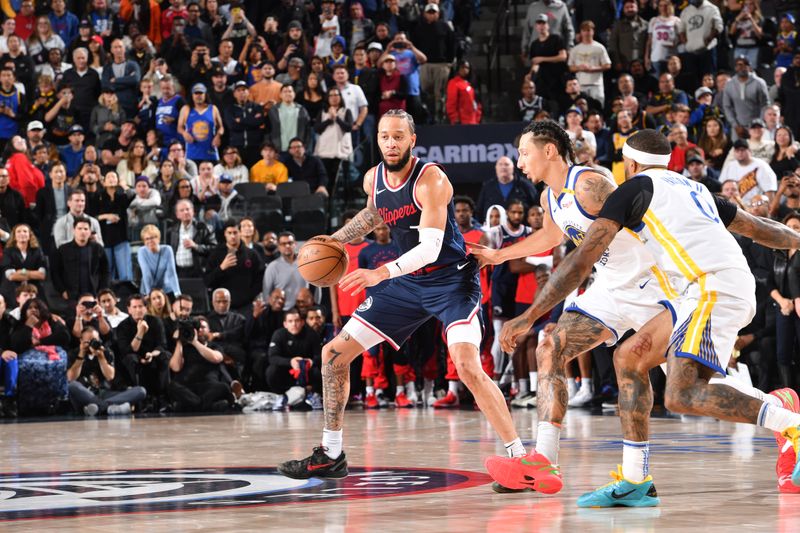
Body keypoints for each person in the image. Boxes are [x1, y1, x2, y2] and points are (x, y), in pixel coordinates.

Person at [483, 127, 800, 499]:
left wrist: (530, 314)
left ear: (628, 163)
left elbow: (581, 258)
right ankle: (560, 463)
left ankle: (785, 414)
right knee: (558, 345)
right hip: (614, 286)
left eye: (523, 152)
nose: (520, 161)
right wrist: (502, 254)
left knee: (689, 390)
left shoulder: (602, 185)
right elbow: (756, 227)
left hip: (661, 287)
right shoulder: (690, 188)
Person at [278, 109, 527, 481]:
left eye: (398, 137)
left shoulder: (432, 181)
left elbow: (429, 248)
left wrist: (379, 272)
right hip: (408, 284)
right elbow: (374, 214)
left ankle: (519, 457)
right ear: (377, 140)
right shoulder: (372, 178)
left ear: (413, 140)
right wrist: (336, 240)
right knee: (333, 354)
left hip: (451, 281)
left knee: (466, 364)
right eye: (384, 137)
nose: (391, 143)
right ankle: (330, 453)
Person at [67, 325, 146, 416]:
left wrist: (101, 357)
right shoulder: (73, 354)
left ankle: (98, 408)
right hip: (85, 394)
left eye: (94, 340)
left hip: (104, 392)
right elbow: (71, 378)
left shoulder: (106, 352)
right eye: (88, 342)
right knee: (72, 385)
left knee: (140, 391)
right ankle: (110, 408)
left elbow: (110, 376)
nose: (92, 344)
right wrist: (81, 355)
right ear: (81, 341)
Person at [168, 315, 232, 413]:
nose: (200, 330)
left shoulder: (215, 346)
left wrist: (195, 342)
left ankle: (192, 406)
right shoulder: (183, 348)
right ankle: (206, 407)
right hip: (188, 388)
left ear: (209, 330)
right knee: (172, 386)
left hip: (209, 387)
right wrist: (179, 342)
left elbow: (216, 358)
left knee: (224, 387)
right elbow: (176, 367)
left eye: (203, 327)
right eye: (197, 328)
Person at [116, 293, 170, 406]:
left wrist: (152, 354)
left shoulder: (155, 322)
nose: (138, 310)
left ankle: (163, 397)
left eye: (141, 306)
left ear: (146, 308)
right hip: (134, 357)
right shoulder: (122, 326)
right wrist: (140, 332)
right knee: (131, 359)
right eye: (134, 307)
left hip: (152, 355)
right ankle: (140, 399)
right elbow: (128, 350)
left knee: (165, 355)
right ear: (129, 309)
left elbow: (162, 345)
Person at [204, 220, 264, 314]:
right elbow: (208, 281)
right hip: (222, 307)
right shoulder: (215, 254)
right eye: (229, 233)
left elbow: (260, 279)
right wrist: (221, 268)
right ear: (225, 234)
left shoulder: (252, 254)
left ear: (240, 233)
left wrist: (249, 296)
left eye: (235, 232)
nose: (232, 236)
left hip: (246, 306)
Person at [267, 307, 322, 408]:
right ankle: (281, 396)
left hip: (306, 370)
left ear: (302, 322)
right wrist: (290, 362)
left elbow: (320, 356)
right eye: (290, 321)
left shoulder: (311, 334)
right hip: (287, 370)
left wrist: (311, 362)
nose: (294, 324)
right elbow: (272, 357)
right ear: (285, 324)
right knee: (271, 371)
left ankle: (313, 395)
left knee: (320, 371)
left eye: (297, 321)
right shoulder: (279, 334)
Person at [52, 216, 110, 303]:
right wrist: (62, 291)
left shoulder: (98, 248)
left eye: (86, 229)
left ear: (90, 231)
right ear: (74, 230)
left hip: (94, 294)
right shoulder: (63, 250)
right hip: (71, 295)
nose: (83, 231)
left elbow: (106, 271)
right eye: (79, 228)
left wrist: (102, 291)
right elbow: (55, 272)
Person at [475, 156, 538, 223]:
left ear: (513, 167)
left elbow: (536, 206)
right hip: (494, 230)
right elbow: (479, 211)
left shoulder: (525, 185)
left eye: (506, 164)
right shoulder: (487, 187)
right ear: (496, 168)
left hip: (522, 229)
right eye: (500, 164)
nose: (503, 167)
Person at [722, 56, 770, 141]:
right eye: (738, 65)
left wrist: (758, 124)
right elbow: (727, 107)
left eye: (744, 65)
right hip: (737, 128)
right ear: (735, 67)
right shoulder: (729, 85)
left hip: (757, 127)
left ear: (749, 67)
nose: (741, 67)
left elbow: (765, 105)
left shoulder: (759, 83)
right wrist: (735, 125)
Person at [314, 88, 353, 189]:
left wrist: (336, 117)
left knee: (343, 180)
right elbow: (317, 129)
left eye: (336, 95)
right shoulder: (323, 112)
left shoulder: (346, 111)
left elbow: (348, 128)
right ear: (327, 98)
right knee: (327, 179)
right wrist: (329, 119)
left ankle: (345, 201)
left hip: (341, 152)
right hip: (325, 151)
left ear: (340, 97)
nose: (334, 98)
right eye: (331, 95)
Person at [166, 198, 217, 277]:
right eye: (182, 210)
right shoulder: (172, 231)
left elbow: (214, 249)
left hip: (198, 272)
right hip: (178, 272)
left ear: (193, 211)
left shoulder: (204, 228)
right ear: (177, 215)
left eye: (187, 209)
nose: (185, 212)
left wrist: (196, 246)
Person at [719, 139, 778, 205]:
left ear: (749, 151)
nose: (740, 153)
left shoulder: (761, 166)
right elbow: (721, 188)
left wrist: (770, 210)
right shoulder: (730, 166)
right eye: (737, 151)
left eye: (742, 150)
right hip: (733, 207)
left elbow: (769, 190)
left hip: (755, 207)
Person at [0, 224, 46, 306]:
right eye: (19, 231)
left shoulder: (37, 251)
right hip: (11, 291)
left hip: (34, 289)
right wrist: (32, 273)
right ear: (14, 236)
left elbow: (41, 275)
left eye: (25, 231)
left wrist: (22, 271)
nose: (22, 233)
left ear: (29, 235)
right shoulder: (8, 251)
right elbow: (11, 276)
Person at [567, 21, 611, 107]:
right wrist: (580, 68)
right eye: (584, 30)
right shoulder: (575, 49)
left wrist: (593, 68)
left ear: (593, 31)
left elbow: (607, 65)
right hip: (581, 84)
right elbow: (570, 67)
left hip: (596, 84)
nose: (587, 33)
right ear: (581, 32)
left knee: (598, 106)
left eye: (589, 30)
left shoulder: (599, 47)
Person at [177, 83, 224, 163]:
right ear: (192, 95)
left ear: (205, 95)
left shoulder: (213, 109)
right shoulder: (186, 109)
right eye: (196, 93)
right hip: (192, 154)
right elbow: (179, 128)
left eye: (201, 93)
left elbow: (221, 127)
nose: (198, 96)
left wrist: (218, 136)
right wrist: (184, 133)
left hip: (211, 153)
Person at [207, 287, 248, 380]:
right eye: (218, 301)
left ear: (230, 302)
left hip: (236, 354)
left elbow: (238, 333)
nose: (222, 305)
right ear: (213, 302)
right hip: (217, 354)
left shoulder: (239, 318)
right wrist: (224, 356)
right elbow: (208, 340)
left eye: (225, 301)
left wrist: (219, 335)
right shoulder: (206, 320)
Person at [262, 231, 307, 311]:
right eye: (283, 244)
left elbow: (316, 289)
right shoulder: (272, 267)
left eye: (290, 243)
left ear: (295, 244)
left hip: (303, 311)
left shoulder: (306, 263)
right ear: (278, 246)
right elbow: (266, 295)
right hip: (282, 313)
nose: (287, 246)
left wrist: (313, 307)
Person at [527, 14, 568, 103]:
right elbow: (535, 63)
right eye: (539, 24)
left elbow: (563, 57)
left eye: (543, 23)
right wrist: (530, 74)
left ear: (547, 25)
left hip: (557, 78)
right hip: (542, 81)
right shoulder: (534, 44)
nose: (541, 26)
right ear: (536, 26)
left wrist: (543, 59)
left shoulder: (556, 39)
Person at [138, 224, 181, 297]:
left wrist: (177, 293)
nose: (150, 241)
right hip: (147, 290)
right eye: (147, 239)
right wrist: (150, 294)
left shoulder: (167, 250)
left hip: (165, 290)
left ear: (158, 238)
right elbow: (146, 274)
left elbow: (171, 273)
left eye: (152, 238)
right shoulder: (142, 251)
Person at [267, 84, 311, 152]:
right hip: (278, 149)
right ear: (280, 95)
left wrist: (305, 147)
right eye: (285, 91)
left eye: (290, 91)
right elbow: (268, 130)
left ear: (294, 94)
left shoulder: (301, 110)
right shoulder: (273, 110)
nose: (288, 93)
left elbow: (308, 130)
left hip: (297, 150)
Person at [446, 60, 480, 125]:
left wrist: (477, 118)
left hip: (473, 121)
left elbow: (477, 102)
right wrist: (454, 118)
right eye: (462, 67)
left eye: (467, 68)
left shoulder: (471, 84)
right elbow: (451, 102)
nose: (465, 70)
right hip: (461, 122)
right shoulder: (454, 83)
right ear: (458, 68)